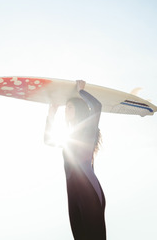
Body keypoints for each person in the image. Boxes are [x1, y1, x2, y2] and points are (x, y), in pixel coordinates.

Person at [45, 80, 106, 240]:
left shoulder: (88, 129)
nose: (66, 110)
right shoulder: (69, 137)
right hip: (73, 196)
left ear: (78, 110)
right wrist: (52, 113)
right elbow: (48, 140)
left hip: (89, 193)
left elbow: (97, 107)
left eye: (69, 107)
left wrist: (81, 92)